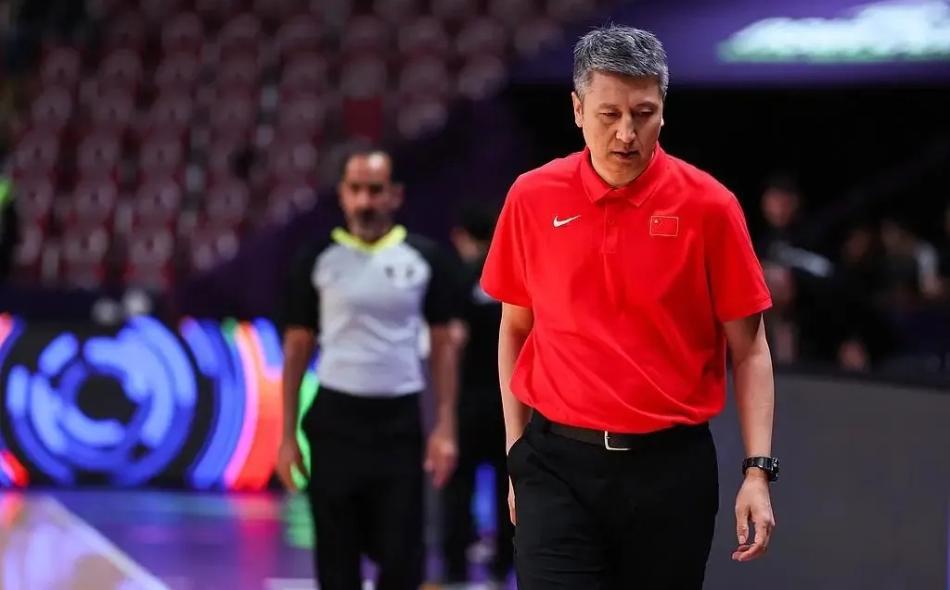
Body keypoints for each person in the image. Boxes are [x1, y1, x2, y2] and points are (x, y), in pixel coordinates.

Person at [481, 26, 779, 589]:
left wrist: (757, 471)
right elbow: (515, 329)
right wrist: (515, 452)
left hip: (671, 471)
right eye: (609, 114)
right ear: (577, 110)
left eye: (643, 114)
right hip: (555, 465)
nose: (626, 133)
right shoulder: (531, 196)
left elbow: (751, 350)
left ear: (663, 110)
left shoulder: (711, 207)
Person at [276, 148, 460, 590]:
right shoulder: (316, 258)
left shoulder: (425, 258)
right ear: (342, 194)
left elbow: (443, 346)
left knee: (402, 559)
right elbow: (297, 346)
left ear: (395, 195)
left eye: (375, 190)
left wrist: (445, 428)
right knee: (336, 561)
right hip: (334, 424)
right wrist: (286, 436)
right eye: (355, 189)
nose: (365, 201)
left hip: (399, 426)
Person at [441, 201, 513, 588]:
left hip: (468, 402)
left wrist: (444, 409)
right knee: (508, 486)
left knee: (458, 487)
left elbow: (453, 343)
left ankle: (455, 569)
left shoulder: (459, 277)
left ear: (460, 237)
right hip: (508, 403)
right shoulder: (512, 274)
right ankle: (503, 567)